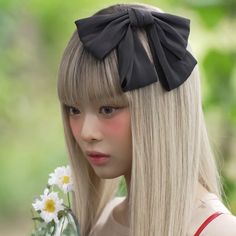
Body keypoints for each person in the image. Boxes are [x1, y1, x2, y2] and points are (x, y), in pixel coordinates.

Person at [57, 3, 236, 236]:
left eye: (108, 109)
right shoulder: (100, 222)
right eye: (73, 109)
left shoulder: (219, 231)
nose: (86, 132)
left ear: (160, 112)